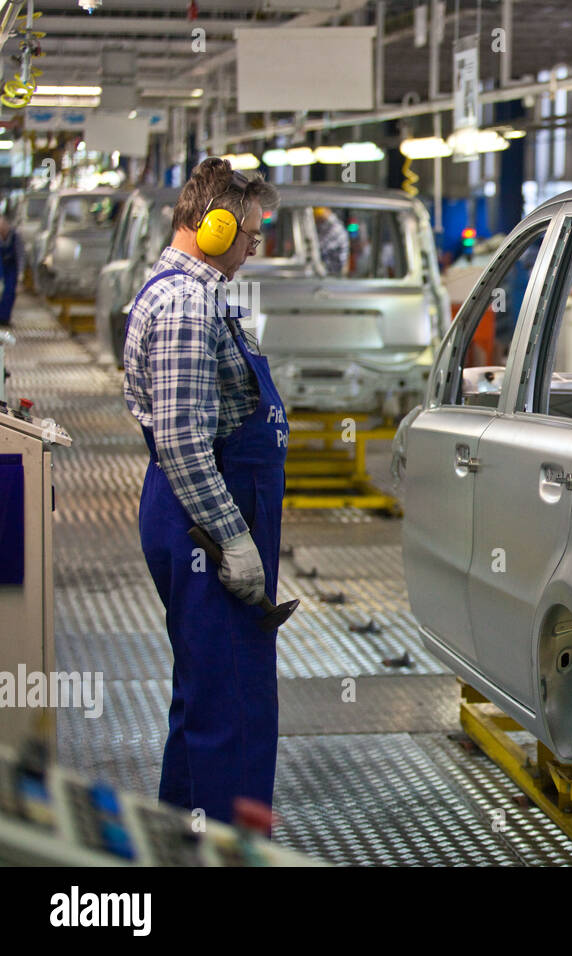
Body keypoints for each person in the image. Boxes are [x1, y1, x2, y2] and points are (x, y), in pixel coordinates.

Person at [122, 157, 285, 825]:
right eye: (248, 233)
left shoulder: (191, 293)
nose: (253, 247)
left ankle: (177, 837)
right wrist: (233, 538)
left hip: (196, 517)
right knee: (234, 706)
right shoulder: (188, 304)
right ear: (214, 228)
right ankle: (232, 847)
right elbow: (185, 445)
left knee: (205, 694)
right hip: (204, 527)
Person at [313, 206, 349, 275]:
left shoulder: (335, 229)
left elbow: (319, 247)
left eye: (318, 218)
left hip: (333, 274)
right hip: (327, 271)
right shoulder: (325, 225)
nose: (316, 221)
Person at [0, 216, 22, 327]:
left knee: (10, 291)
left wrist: (21, 273)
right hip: (1, 266)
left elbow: (20, 255)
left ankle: (4, 318)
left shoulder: (15, 236)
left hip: (12, 267)